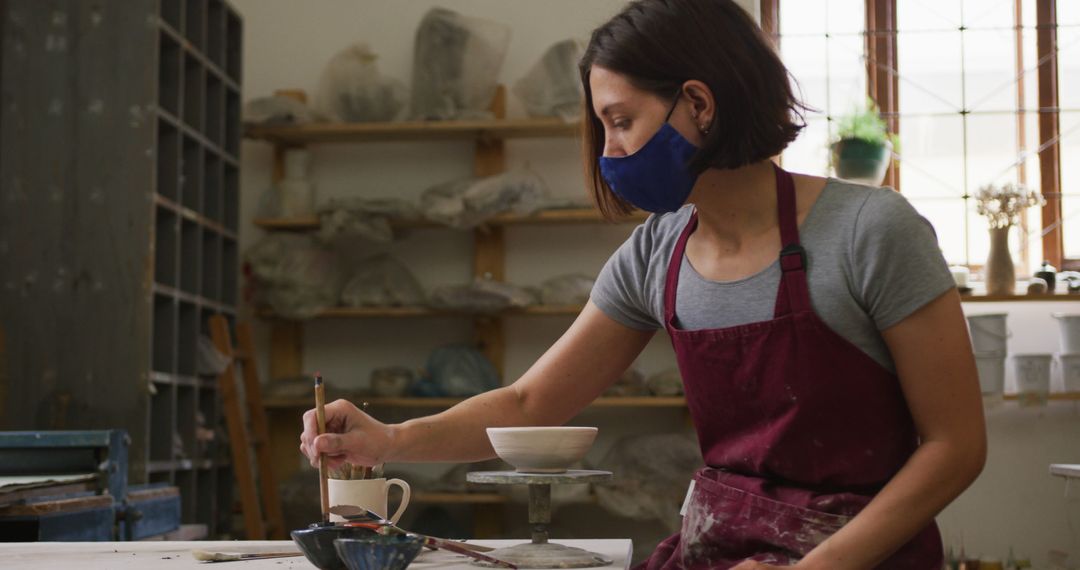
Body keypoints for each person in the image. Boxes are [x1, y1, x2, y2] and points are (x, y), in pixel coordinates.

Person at [300, 1, 987, 568]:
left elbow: (955, 446)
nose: (610, 153)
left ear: (698, 103)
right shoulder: (657, 252)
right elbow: (530, 400)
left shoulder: (873, 231)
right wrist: (387, 441)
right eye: (603, 128)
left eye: (622, 121)